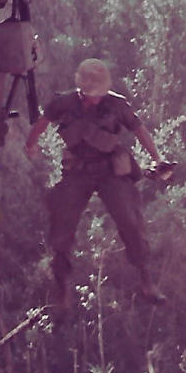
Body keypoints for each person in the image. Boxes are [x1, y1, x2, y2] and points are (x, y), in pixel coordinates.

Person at [25, 58, 166, 307]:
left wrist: (158, 158)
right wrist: (31, 143)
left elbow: (139, 129)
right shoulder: (64, 103)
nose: (97, 99)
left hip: (110, 169)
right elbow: (43, 121)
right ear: (81, 90)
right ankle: (61, 288)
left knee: (130, 220)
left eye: (100, 94)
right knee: (61, 224)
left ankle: (146, 278)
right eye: (92, 95)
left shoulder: (116, 105)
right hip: (78, 170)